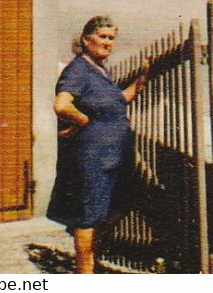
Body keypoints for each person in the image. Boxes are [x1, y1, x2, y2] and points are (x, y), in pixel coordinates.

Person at [47, 15, 146, 274]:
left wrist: (138, 85)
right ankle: (84, 272)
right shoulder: (79, 70)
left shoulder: (100, 71)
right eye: (102, 37)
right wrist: (82, 120)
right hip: (93, 157)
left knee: (116, 208)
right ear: (85, 39)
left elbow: (113, 103)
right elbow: (62, 105)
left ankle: (91, 259)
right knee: (89, 215)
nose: (107, 43)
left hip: (115, 156)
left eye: (111, 38)